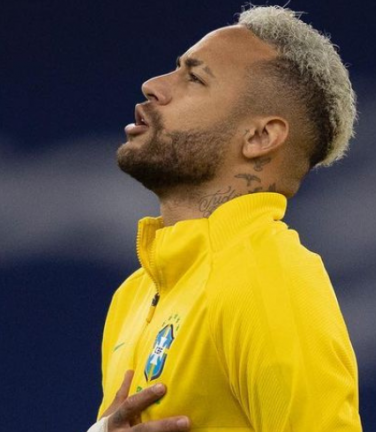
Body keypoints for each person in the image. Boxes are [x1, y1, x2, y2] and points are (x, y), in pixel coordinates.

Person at [87, 5, 361, 432]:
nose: (153, 85)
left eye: (194, 78)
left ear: (259, 137)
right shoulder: (134, 295)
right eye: (176, 69)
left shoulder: (269, 278)